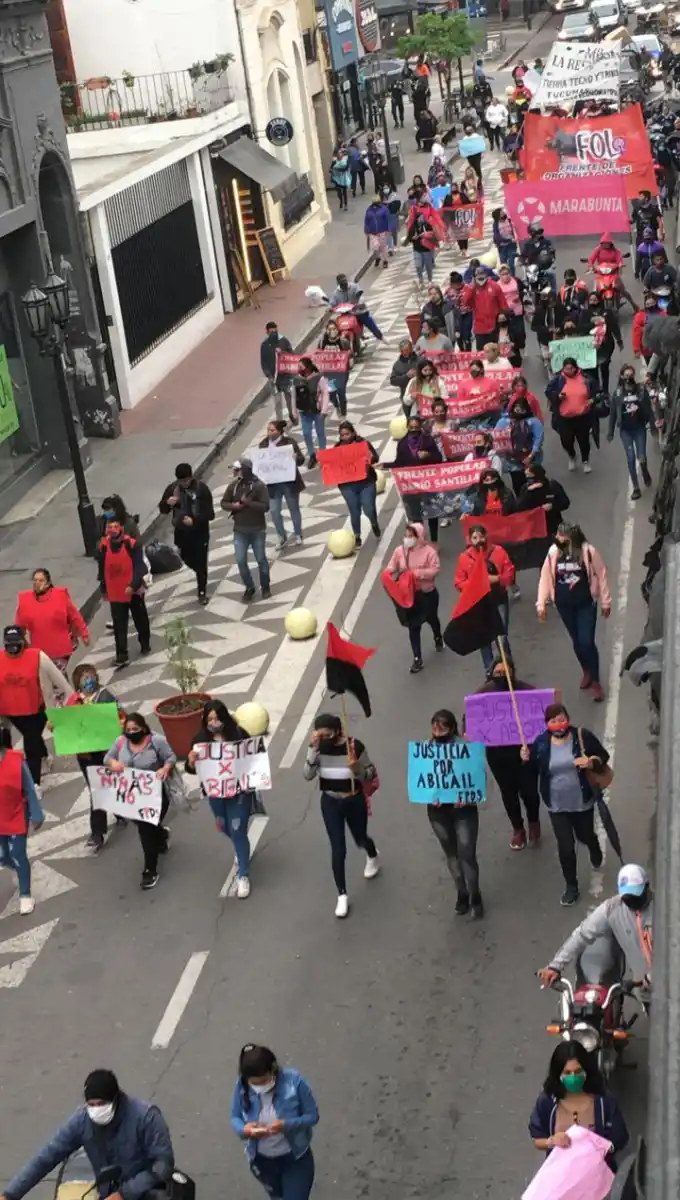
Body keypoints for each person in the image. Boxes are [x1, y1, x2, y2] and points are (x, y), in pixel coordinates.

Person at [1, 1069, 174, 1200]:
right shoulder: (82, 1121)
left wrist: (125, 1193)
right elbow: (46, 1157)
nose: (96, 1109)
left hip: (146, 1192)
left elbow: (163, 1164)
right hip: (107, 1193)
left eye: (101, 1103)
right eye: (91, 1104)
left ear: (116, 1099)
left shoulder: (146, 1117)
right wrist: (10, 1194)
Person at [522, 702, 607, 905]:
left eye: (561, 719)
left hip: (581, 801)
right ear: (547, 724)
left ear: (567, 719)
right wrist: (525, 760)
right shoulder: (541, 743)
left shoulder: (581, 736)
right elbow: (532, 772)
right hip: (556, 805)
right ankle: (571, 886)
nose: (558, 723)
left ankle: (593, 846)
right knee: (566, 846)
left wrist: (591, 762)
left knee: (584, 835)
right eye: (553, 720)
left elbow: (603, 756)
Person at [303, 712, 379, 918]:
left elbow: (371, 773)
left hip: (354, 800)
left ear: (337, 731)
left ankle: (372, 853)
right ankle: (342, 894)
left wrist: (357, 770)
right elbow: (307, 775)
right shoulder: (318, 749)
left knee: (360, 838)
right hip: (330, 802)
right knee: (338, 847)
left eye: (327, 735)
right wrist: (312, 750)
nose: (323, 739)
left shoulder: (354, 747)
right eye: (319, 736)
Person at [538, 863, 653, 986]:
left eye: (636, 896)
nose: (631, 902)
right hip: (642, 986)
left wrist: (651, 978)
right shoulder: (612, 909)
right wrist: (555, 966)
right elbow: (582, 934)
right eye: (627, 898)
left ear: (646, 887)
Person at [186, 701, 255, 898]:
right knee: (223, 826)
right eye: (209, 719)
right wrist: (191, 761)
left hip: (239, 792)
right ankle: (240, 847)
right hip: (216, 794)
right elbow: (193, 769)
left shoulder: (239, 734)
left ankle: (243, 874)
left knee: (237, 828)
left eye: (217, 718)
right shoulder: (199, 740)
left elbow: (254, 756)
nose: (214, 722)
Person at [231, 1044, 318, 1200]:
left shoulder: (294, 1082)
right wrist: (245, 1130)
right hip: (263, 1163)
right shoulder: (241, 1087)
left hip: (295, 1159)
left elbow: (312, 1116)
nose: (260, 1087)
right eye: (254, 1084)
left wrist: (285, 1124)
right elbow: (235, 1117)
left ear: (273, 1069)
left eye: (264, 1081)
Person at [537, 524, 610, 700]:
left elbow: (601, 574)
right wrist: (541, 604)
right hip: (564, 605)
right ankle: (586, 670)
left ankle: (595, 681)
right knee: (577, 641)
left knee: (586, 641)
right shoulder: (553, 553)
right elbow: (545, 577)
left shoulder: (588, 551)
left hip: (585, 603)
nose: (558, 539)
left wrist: (606, 601)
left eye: (562, 536)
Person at [474, 657, 541, 849]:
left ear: (513, 672)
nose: (502, 676)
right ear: (492, 674)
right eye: (498, 673)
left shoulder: (527, 690)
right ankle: (518, 829)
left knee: (529, 791)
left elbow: (542, 711)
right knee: (508, 792)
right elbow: (469, 717)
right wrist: (468, 729)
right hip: (497, 754)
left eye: (506, 672)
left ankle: (534, 821)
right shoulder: (483, 694)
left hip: (524, 751)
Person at [104, 712, 175, 889]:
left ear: (143, 728)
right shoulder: (120, 742)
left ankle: (150, 870)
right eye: (128, 729)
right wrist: (113, 764)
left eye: (136, 729)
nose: (132, 732)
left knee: (146, 829)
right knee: (147, 827)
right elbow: (107, 758)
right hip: (132, 798)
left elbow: (170, 757)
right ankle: (161, 835)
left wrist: (165, 768)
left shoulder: (156, 741)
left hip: (156, 795)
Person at [529, 1042, 629, 1165]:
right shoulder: (547, 1101)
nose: (573, 1077)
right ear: (558, 1074)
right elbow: (537, 1139)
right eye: (567, 1073)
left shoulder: (604, 1100)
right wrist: (551, 1141)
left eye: (577, 1071)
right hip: (560, 1173)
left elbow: (620, 1137)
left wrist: (603, 1148)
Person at [425, 708, 484, 916]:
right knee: (451, 854)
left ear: (451, 728)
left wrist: (468, 796)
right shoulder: (425, 751)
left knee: (467, 854)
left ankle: (475, 895)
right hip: (438, 812)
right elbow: (421, 782)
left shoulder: (465, 749)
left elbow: (480, 781)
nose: (438, 732)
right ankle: (462, 893)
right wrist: (432, 796)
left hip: (463, 811)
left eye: (442, 728)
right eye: (434, 728)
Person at [0, 624, 70, 785]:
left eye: (16, 642)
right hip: (10, 713)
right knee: (29, 738)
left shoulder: (38, 657)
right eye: (8, 643)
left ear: (23, 641)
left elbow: (60, 680)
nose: (12, 646)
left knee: (30, 744)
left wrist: (69, 699)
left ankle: (35, 783)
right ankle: (44, 756)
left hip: (35, 711)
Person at [455, 523, 514, 671]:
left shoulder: (499, 552)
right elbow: (458, 582)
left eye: (481, 536)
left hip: (498, 600)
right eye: (474, 537)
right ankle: (490, 671)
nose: (478, 540)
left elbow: (509, 574)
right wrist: (475, 583)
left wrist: (495, 579)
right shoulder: (464, 558)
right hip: (478, 604)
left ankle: (508, 667)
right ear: (469, 539)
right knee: (484, 640)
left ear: (486, 536)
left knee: (502, 636)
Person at [386, 522, 442, 672]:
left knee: (432, 619)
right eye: (406, 536)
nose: (407, 539)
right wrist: (387, 574)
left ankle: (437, 636)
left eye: (411, 536)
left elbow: (435, 570)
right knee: (413, 627)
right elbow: (392, 566)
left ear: (419, 537)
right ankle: (417, 658)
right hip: (409, 597)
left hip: (426, 594)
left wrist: (417, 574)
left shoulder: (429, 552)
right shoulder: (399, 551)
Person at [0, 725, 44, 914]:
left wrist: (36, 813)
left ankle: (25, 894)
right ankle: (19, 869)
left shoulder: (15, 760)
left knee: (18, 853)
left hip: (17, 812)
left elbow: (29, 788)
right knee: (3, 856)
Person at [15, 567, 89, 680]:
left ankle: (65, 695)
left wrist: (84, 634)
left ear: (48, 583)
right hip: (40, 651)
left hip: (60, 648)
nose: (37, 583)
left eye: (41, 580)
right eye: (35, 580)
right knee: (50, 681)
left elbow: (75, 616)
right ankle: (67, 695)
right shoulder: (25, 601)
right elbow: (19, 626)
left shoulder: (60, 596)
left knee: (57, 678)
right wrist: (22, 644)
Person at [97, 517, 151, 669]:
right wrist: (104, 588)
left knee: (140, 619)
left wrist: (132, 585)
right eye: (109, 526)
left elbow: (140, 567)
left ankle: (145, 644)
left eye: (115, 526)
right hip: (115, 593)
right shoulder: (103, 547)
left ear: (121, 527)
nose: (112, 529)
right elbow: (102, 569)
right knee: (119, 624)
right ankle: (122, 655)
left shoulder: (132, 545)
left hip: (133, 591)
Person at [159, 463, 215, 606]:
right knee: (184, 556)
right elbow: (163, 509)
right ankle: (198, 571)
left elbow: (210, 513)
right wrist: (167, 502)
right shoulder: (173, 489)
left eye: (186, 481)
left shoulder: (201, 489)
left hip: (200, 531)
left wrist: (195, 520)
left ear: (191, 477)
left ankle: (202, 591)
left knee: (201, 561)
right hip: (181, 532)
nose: (184, 484)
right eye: (181, 481)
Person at [221, 458, 271, 603]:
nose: (235, 472)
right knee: (240, 560)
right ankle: (249, 587)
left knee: (261, 559)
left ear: (245, 470)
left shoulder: (259, 486)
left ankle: (265, 586)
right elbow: (224, 503)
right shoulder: (234, 486)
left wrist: (249, 503)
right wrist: (233, 506)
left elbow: (265, 507)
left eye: (238, 469)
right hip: (239, 530)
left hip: (257, 529)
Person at [393, 415, 442, 543]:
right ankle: (421, 540)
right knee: (416, 516)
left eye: (416, 427)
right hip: (412, 486)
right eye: (411, 428)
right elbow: (399, 463)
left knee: (432, 513)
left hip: (428, 483)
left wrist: (428, 455)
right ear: (407, 428)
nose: (414, 430)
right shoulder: (402, 444)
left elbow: (439, 458)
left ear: (420, 427)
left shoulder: (427, 440)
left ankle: (434, 540)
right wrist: (385, 465)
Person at [607, 366, 654, 500]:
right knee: (630, 458)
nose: (628, 378)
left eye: (631, 375)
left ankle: (644, 471)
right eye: (626, 375)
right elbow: (613, 413)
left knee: (642, 456)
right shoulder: (617, 393)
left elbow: (648, 409)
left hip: (639, 428)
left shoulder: (640, 390)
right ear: (621, 376)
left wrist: (652, 424)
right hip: (626, 431)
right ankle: (636, 487)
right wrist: (610, 432)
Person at [258, 419, 305, 548]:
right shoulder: (263, 444)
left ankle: (298, 534)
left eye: (272, 430)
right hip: (273, 484)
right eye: (268, 430)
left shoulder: (289, 442)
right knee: (274, 510)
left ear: (279, 431)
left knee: (293, 508)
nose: (269, 433)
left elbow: (301, 460)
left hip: (289, 482)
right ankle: (281, 536)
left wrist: (296, 458)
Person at [335, 421, 380, 547]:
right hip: (347, 485)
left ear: (353, 433)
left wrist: (371, 458)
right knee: (354, 510)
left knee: (368, 508)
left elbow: (376, 457)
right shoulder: (336, 449)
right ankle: (357, 535)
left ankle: (374, 522)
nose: (345, 437)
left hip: (366, 482)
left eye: (347, 434)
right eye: (342, 435)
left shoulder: (363, 444)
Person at [546, 358, 595, 473]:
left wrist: (592, 400)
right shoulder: (558, 380)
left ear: (575, 368)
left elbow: (596, 392)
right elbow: (548, 391)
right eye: (566, 368)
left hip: (582, 416)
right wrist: (557, 396)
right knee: (566, 440)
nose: (569, 371)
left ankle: (585, 461)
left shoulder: (585, 379)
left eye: (571, 368)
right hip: (564, 418)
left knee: (583, 440)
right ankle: (572, 456)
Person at [496, 394, 544, 495]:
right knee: (518, 485)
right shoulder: (504, 422)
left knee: (534, 483)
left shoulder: (534, 422)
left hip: (531, 459)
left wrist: (530, 456)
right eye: (517, 409)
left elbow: (538, 439)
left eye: (522, 409)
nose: (519, 412)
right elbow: (496, 438)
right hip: (512, 461)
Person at [291, 356, 330, 466]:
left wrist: (324, 410)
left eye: (301, 366)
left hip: (317, 410)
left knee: (320, 432)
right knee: (306, 433)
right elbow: (293, 396)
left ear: (307, 367)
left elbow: (325, 393)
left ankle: (323, 454)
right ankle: (312, 454)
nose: (299, 369)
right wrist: (294, 412)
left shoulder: (319, 378)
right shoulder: (296, 380)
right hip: (304, 412)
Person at [516, 464, 570, 541]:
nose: (528, 478)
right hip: (535, 529)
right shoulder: (526, 488)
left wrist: (552, 506)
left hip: (553, 525)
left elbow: (565, 502)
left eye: (529, 475)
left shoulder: (552, 486)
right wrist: (529, 492)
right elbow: (519, 508)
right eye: (526, 475)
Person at [587, 235, 637, 311]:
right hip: (600, 274)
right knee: (594, 292)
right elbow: (591, 259)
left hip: (613, 273)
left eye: (607, 243)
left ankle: (634, 306)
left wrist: (620, 264)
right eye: (604, 243)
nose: (606, 244)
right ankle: (591, 309)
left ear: (610, 243)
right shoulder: (598, 250)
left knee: (622, 290)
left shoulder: (615, 251)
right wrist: (591, 266)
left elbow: (619, 258)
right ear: (601, 243)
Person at [329, 274, 385, 343]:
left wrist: (358, 303)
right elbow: (332, 303)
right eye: (342, 283)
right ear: (338, 283)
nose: (344, 285)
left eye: (345, 282)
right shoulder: (335, 293)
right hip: (346, 314)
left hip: (358, 311)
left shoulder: (354, 286)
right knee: (337, 325)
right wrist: (329, 308)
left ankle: (380, 337)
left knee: (369, 322)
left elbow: (360, 294)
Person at [462, 269, 508, 350]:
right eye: (478, 278)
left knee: (495, 351)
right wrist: (471, 287)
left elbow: (503, 302)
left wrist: (502, 313)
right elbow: (465, 302)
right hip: (479, 327)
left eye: (482, 277)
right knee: (481, 352)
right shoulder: (471, 288)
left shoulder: (494, 286)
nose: (481, 280)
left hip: (494, 325)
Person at [259, 321, 294, 422]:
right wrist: (268, 376)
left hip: (286, 377)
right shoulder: (264, 345)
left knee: (289, 399)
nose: (273, 334)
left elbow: (292, 355)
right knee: (277, 402)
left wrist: (282, 352)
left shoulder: (283, 341)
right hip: (273, 379)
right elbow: (263, 361)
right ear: (267, 332)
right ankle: (280, 422)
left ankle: (292, 415)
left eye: (275, 331)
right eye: (271, 332)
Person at [404, 199, 440, 287]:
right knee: (418, 265)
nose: (420, 220)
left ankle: (430, 280)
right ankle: (420, 280)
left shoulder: (428, 225)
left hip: (427, 248)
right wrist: (412, 238)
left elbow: (434, 235)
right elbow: (409, 238)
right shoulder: (413, 227)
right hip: (417, 248)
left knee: (428, 265)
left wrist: (427, 235)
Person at [318, 318, 351, 414]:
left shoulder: (343, 341)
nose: (332, 331)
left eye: (334, 329)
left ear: (337, 329)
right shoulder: (322, 342)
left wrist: (347, 356)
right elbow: (318, 354)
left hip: (341, 373)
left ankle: (343, 413)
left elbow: (349, 353)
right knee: (331, 393)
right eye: (330, 329)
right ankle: (336, 405)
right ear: (327, 330)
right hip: (328, 374)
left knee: (341, 393)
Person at [532, 288, 567, 368]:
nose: (551, 304)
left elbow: (567, 319)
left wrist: (561, 328)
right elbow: (534, 327)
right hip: (545, 341)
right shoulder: (539, 310)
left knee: (561, 362)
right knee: (549, 364)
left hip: (560, 339)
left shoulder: (561, 308)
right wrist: (547, 329)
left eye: (553, 302)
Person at [632, 293, 665, 363]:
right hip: (647, 349)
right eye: (648, 304)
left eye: (652, 304)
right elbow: (636, 333)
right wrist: (636, 349)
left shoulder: (663, 313)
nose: (651, 306)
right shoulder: (640, 316)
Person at [390, 338, 420, 410]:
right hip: (406, 395)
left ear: (411, 349)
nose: (404, 352)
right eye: (402, 350)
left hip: (420, 393)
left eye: (406, 350)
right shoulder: (397, 364)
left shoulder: (420, 360)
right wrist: (406, 376)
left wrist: (419, 374)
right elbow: (393, 380)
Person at [446, 271, 473, 349]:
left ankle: (468, 351)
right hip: (455, 315)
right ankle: (461, 350)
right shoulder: (449, 291)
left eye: (457, 285)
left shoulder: (468, 288)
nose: (456, 287)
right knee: (458, 335)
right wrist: (453, 302)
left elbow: (471, 300)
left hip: (467, 314)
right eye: (454, 285)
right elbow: (446, 302)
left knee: (466, 335)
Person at [364, 193, 390, 268]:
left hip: (382, 231)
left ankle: (385, 260)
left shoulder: (384, 209)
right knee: (375, 246)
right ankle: (378, 257)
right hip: (373, 232)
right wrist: (366, 230)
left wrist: (388, 229)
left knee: (383, 246)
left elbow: (387, 220)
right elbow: (366, 220)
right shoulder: (369, 209)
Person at [492, 207, 517, 273]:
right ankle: (505, 277)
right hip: (502, 246)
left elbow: (514, 230)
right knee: (504, 265)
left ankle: (513, 277)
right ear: (498, 216)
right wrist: (508, 240)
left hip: (511, 245)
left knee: (511, 262)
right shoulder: (496, 224)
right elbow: (497, 237)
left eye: (503, 212)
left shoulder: (509, 220)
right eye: (502, 213)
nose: (504, 213)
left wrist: (514, 238)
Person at [330, 145, 350, 210]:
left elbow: (347, 168)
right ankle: (341, 200)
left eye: (341, 153)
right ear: (336, 154)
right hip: (337, 179)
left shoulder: (345, 160)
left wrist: (339, 169)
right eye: (338, 153)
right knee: (339, 193)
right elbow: (330, 170)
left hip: (343, 178)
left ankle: (346, 205)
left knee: (344, 192)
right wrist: (333, 171)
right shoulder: (334, 161)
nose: (340, 154)